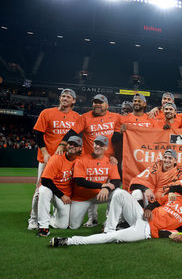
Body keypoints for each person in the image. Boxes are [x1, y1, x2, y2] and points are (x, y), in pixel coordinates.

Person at [50, 182, 182, 247]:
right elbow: (155, 203)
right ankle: (109, 228)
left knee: (114, 238)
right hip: (141, 216)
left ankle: (69, 241)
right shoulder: (175, 197)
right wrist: (149, 208)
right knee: (119, 193)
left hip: (146, 231)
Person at [28, 88, 80, 230]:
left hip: (66, 160)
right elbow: (38, 134)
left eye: (68, 97)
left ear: (73, 100)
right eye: (63, 96)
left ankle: (55, 217)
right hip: (47, 158)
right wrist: (45, 153)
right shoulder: (47, 113)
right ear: (59, 98)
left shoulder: (76, 117)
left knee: (65, 187)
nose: (65, 98)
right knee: (40, 190)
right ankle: (33, 219)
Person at [68, 135, 121, 229]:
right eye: (96, 144)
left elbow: (116, 182)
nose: (98, 146)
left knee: (117, 193)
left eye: (101, 145)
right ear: (93, 145)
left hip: (100, 195)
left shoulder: (110, 161)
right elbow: (79, 181)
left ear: (106, 148)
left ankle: (110, 221)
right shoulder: (82, 160)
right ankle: (92, 220)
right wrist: (102, 186)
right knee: (73, 225)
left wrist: (107, 188)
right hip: (83, 197)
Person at [36, 136, 83, 237]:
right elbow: (45, 180)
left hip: (66, 195)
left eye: (76, 145)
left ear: (80, 148)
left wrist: (111, 158)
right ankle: (43, 226)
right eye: (70, 144)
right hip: (54, 191)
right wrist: (61, 195)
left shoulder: (81, 160)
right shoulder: (56, 158)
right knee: (43, 190)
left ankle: (51, 218)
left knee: (62, 225)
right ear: (66, 146)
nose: (72, 146)